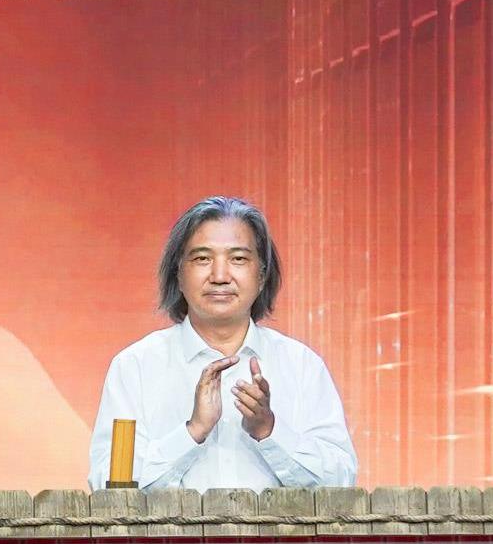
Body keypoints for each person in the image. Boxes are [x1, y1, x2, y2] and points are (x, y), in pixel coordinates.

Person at [83, 197, 357, 489]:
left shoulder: (301, 365)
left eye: (238, 259)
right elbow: (107, 483)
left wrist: (269, 431)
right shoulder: (135, 366)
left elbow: (341, 480)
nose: (220, 276)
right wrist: (192, 432)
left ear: (262, 276)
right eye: (202, 259)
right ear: (178, 274)